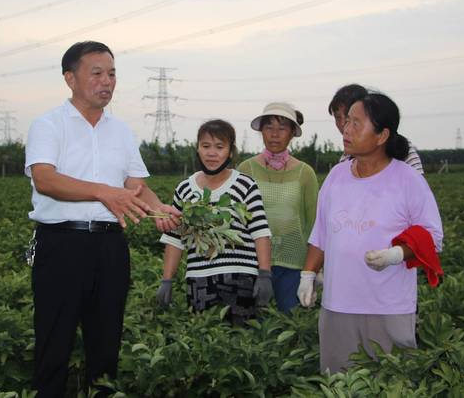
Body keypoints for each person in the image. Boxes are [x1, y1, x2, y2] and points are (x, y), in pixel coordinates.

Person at [24, 41, 181, 397]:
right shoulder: (48, 125)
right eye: (96, 73)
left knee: (106, 343)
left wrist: (160, 209)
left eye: (111, 74)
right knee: (54, 344)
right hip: (61, 244)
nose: (106, 81)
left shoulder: (121, 131)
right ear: (70, 78)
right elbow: (45, 180)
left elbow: (134, 187)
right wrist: (102, 191)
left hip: (109, 246)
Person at [298, 92, 443, 374]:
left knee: (390, 381)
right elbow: (321, 233)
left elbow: (432, 235)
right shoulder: (337, 176)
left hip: (387, 306)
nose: (346, 130)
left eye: (356, 123)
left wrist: (395, 254)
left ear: (381, 135)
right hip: (337, 304)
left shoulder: (406, 179)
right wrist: (307, 274)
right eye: (346, 122)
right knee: (338, 382)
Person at [156, 119, 273, 324]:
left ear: (230, 151)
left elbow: (260, 231)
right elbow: (174, 239)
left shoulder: (245, 185)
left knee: (241, 342)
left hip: (240, 277)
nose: (212, 153)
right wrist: (167, 279)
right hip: (199, 279)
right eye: (206, 146)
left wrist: (264, 274)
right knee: (204, 341)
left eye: (219, 147)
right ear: (198, 149)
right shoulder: (185, 189)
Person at [237, 102, 319, 313]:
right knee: (252, 324)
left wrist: (313, 269)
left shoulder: (305, 172)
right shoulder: (246, 169)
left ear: (292, 133)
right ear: (261, 131)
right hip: (252, 260)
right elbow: (236, 217)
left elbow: (314, 223)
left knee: (291, 322)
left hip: (293, 262)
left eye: (282, 128)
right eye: (269, 128)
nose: (275, 134)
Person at [328, 84, 424, 174]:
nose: (343, 125)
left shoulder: (404, 151)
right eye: (338, 118)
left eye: (355, 121)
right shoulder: (345, 161)